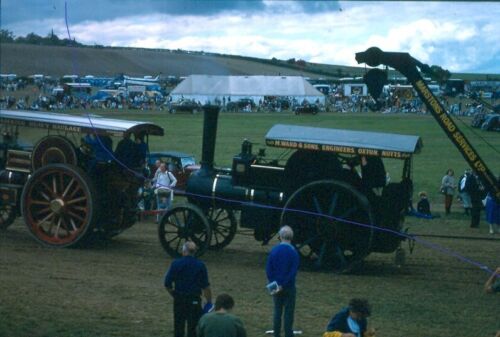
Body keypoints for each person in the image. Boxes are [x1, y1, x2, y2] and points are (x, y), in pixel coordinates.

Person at [164, 241, 212, 337]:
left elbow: (167, 284)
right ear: (194, 252)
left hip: (179, 299)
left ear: (183, 251)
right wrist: (209, 302)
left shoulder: (176, 263)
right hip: (194, 300)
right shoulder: (200, 265)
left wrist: (174, 294)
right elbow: (206, 287)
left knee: (178, 326)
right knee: (193, 328)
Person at [266, 226, 300, 337]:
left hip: (274, 284)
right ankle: (288, 333)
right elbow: (293, 272)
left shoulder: (274, 250)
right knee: (288, 312)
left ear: (280, 237)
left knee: (277, 311)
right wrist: (284, 284)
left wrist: (274, 283)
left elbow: (268, 270)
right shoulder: (293, 252)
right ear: (292, 237)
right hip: (289, 286)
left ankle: (276, 333)